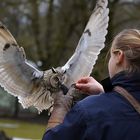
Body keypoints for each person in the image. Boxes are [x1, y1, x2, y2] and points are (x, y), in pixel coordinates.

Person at [42, 29, 140, 140]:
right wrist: (107, 92)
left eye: (111, 55)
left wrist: (60, 108)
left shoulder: (88, 111)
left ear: (119, 56)